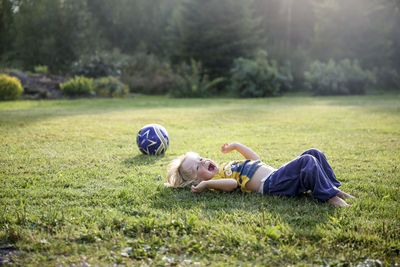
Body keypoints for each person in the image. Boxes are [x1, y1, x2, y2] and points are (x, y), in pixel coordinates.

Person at [166, 142, 355, 207]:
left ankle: (333, 189)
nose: (203, 162)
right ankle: (329, 197)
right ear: (197, 179)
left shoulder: (226, 165)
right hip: (271, 184)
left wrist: (237, 146)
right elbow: (232, 185)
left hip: (277, 175)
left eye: (201, 158)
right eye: (198, 167)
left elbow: (255, 159)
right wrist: (206, 185)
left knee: (313, 153)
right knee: (307, 161)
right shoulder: (216, 180)